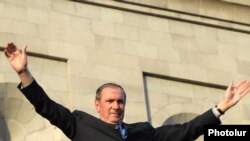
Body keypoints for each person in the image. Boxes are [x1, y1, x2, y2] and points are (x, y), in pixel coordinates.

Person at [3, 42, 250, 141]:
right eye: (110, 101)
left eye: (120, 101)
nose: (115, 106)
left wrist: (221, 108)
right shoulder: (80, 124)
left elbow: (186, 131)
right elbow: (46, 106)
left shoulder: (142, 132)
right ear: (97, 104)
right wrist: (23, 72)